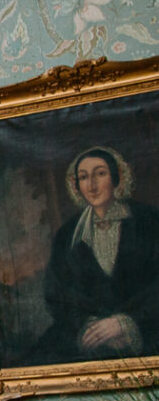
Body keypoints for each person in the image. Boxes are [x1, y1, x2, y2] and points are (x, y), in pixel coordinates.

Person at [29, 145, 159, 364]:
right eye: (83, 177)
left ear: (117, 178)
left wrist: (126, 323)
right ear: (76, 185)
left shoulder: (150, 221)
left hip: (148, 325)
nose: (92, 185)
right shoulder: (67, 234)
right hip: (87, 334)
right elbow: (56, 293)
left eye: (100, 173)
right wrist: (89, 327)